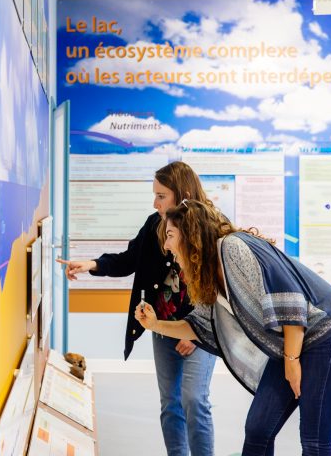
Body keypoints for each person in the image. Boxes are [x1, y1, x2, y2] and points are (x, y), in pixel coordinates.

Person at [135, 200, 331, 456]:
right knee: (258, 429)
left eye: (170, 235)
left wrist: (291, 360)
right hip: (291, 343)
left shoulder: (232, 247)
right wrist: (155, 324)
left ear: (191, 235)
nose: (166, 245)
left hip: (330, 336)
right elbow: (197, 326)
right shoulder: (211, 272)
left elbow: (291, 299)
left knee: (314, 442)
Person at [57, 162, 217, 456]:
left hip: (201, 331)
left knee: (194, 399)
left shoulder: (212, 228)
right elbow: (128, 259)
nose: (154, 202)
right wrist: (92, 264)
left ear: (182, 193)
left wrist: (195, 334)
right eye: (155, 195)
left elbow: (217, 290)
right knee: (170, 402)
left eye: (161, 196)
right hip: (162, 327)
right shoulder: (154, 225)